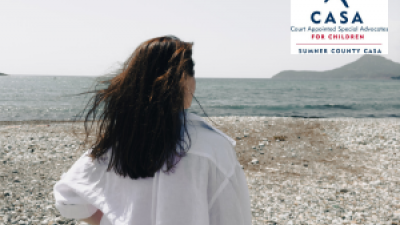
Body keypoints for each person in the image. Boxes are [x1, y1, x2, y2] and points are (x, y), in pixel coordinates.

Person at [53, 35, 252, 225]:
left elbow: (68, 199)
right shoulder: (212, 148)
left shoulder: (121, 141)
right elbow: (232, 216)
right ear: (183, 78)